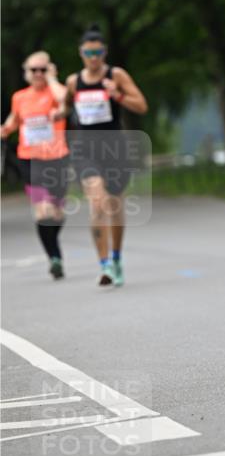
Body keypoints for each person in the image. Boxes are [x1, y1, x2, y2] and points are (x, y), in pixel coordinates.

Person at [64, 26, 148, 287]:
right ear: (81, 53)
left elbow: (142, 106)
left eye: (98, 51)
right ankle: (104, 265)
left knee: (114, 206)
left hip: (114, 149)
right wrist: (59, 115)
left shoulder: (116, 75)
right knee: (97, 203)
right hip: (85, 150)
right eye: (89, 52)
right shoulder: (73, 81)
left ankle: (117, 257)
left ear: (104, 52)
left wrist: (117, 95)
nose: (93, 57)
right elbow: (66, 105)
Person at [0, 52, 69, 278]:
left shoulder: (55, 91)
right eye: (33, 70)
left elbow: (66, 100)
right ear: (26, 73)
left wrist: (52, 79)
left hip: (57, 158)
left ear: (49, 69)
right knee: (43, 211)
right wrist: (5, 130)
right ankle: (54, 258)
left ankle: (53, 245)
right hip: (30, 159)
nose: (38, 73)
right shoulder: (20, 97)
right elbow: (14, 119)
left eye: (42, 69)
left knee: (57, 213)